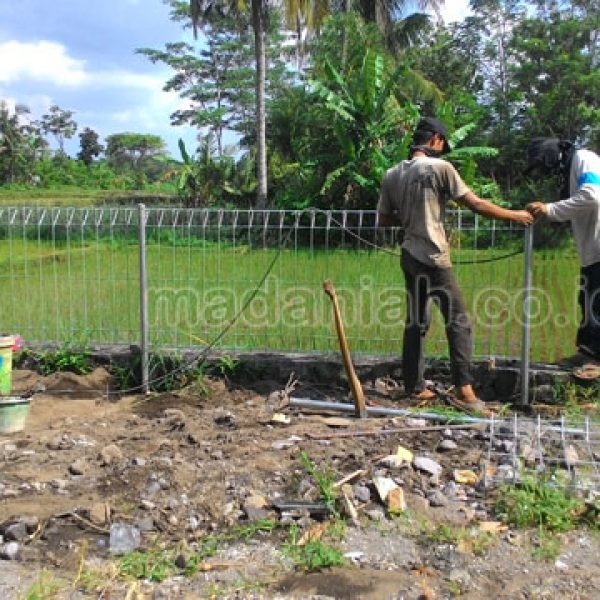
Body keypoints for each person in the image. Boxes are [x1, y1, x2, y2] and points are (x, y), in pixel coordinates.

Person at [378, 117, 533, 414]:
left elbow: (384, 219)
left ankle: (414, 387)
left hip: (409, 255)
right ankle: (465, 390)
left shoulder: (392, 173)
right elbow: (475, 204)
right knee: (459, 321)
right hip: (434, 256)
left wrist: (411, 218)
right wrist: (515, 216)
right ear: (436, 139)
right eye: (443, 144)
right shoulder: (440, 168)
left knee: (416, 322)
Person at [526, 138, 600, 374]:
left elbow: (591, 196)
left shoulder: (584, 159)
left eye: (542, 164)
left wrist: (551, 209)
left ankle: (596, 362)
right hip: (591, 249)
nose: (544, 171)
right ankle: (588, 353)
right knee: (588, 300)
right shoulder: (570, 171)